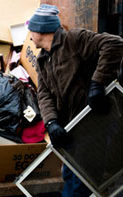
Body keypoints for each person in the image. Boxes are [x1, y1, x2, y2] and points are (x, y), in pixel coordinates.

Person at [27, 4, 123, 197]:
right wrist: (52, 122)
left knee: (82, 184)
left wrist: (97, 83)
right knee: (69, 177)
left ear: (41, 29)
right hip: (70, 128)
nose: (29, 35)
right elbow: (44, 95)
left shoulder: (74, 39)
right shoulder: (42, 60)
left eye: (31, 29)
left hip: (92, 123)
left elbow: (114, 43)